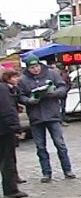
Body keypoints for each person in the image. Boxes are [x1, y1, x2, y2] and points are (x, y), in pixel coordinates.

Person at [17, 55, 76, 183]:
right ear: (28, 68)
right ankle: (46, 173)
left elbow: (63, 87)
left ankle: (67, 170)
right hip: (36, 116)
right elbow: (20, 96)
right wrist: (29, 100)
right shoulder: (23, 80)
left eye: (37, 66)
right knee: (40, 147)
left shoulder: (52, 74)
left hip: (52, 114)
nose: (35, 69)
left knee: (60, 144)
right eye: (32, 67)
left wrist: (54, 93)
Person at [0, 69, 28, 198]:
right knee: (8, 159)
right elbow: (7, 110)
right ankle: (10, 190)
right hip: (4, 130)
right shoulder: (3, 90)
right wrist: (16, 128)